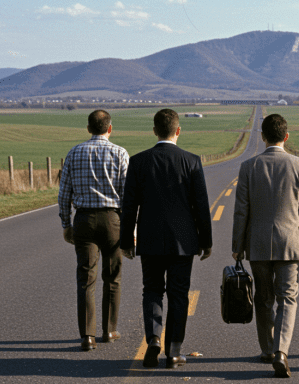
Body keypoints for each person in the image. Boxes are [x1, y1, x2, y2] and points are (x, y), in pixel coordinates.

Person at [120, 109, 213, 369]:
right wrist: (206, 241)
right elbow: (201, 206)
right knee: (179, 294)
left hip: (149, 240)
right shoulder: (191, 161)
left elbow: (129, 207)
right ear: (178, 130)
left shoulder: (138, 162)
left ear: (154, 131)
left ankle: (153, 340)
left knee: (151, 291)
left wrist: (126, 241)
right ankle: (174, 351)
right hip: (183, 242)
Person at [232, 114, 299, 378]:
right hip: (290, 241)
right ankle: (281, 350)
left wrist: (237, 245)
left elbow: (241, 211)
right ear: (286, 136)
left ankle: (267, 349)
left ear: (262, 137)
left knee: (263, 298)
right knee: (288, 297)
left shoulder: (248, 166)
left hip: (257, 242)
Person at [58, 109, 130, 352]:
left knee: (86, 279)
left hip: (84, 220)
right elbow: (128, 196)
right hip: (113, 220)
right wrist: (132, 228)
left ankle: (87, 336)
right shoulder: (120, 153)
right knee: (113, 277)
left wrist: (66, 224)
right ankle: (109, 331)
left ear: (88, 128)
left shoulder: (74, 152)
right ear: (109, 129)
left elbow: (64, 194)